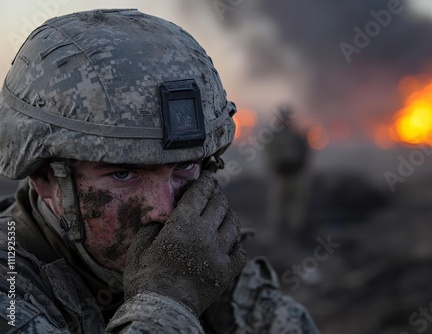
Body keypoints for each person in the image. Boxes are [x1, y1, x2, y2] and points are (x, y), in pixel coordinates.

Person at [0, 9, 319, 333]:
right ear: (45, 178)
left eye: (183, 167)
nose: (165, 211)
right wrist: (171, 302)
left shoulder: (198, 263)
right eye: (124, 174)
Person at [265, 106, 311, 239]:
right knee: (277, 207)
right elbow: (270, 155)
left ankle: (296, 234)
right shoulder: (273, 136)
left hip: (295, 174)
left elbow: (305, 153)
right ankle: (276, 234)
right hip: (281, 176)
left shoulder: (297, 136)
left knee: (297, 207)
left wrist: (299, 166)